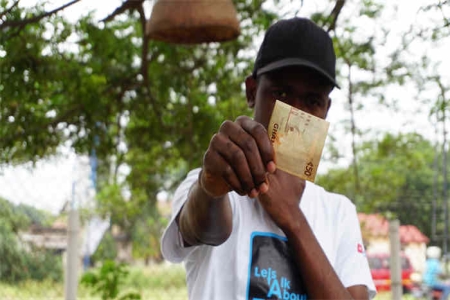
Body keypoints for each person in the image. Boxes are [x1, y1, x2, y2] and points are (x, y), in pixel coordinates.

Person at [161, 17, 376, 300]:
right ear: (252, 92)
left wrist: (291, 217)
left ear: (326, 109)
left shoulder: (338, 212)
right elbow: (202, 227)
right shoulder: (214, 185)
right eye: (281, 93)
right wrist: (210, 186)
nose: (295, 114)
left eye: (312, 101)